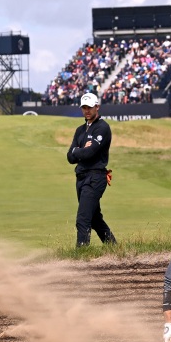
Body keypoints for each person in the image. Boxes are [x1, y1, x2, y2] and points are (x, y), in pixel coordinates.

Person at [66, 92, 116, 247]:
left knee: (83, 219)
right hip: (81, 177)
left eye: (90, 107)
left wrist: (78, 151)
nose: (87, 110)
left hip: (95, 177)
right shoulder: (80, 130)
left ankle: (81, 257)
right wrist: (79, 151)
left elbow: (89, 152)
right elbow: (70, 157)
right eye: (84, 107)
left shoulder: (102, 128)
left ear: (97, 107)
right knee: (94, 219)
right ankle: (115, 249)